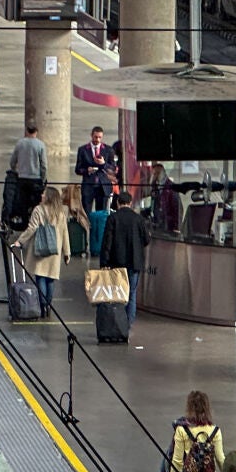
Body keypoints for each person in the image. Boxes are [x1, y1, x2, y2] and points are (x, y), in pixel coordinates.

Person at [16, 186, 73, 310]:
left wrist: (20, 241)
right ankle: (48, 304)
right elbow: (65, 233)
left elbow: (32, 228)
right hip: (54, 251)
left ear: (49, 197)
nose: (41, 195)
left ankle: (42, 305)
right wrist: (67, 252)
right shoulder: (60, 212)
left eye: (44, 194)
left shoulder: (39, 210)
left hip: (40, 249)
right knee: (50, 279)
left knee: (40, 277)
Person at [98, 191, 150, 326]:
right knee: (131, 294)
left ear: (117, 203)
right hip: (134, 262)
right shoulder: (139, 219)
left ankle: (118, 323)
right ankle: (128, 323)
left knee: (118, 294)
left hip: (117, 262)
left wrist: (104, 262)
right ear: (130, 203)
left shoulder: (113, 218)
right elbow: (146, 239)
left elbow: (107, 242)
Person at [75, 125, 119, 214]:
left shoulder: (108, 150)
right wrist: (87, 170)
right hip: (88, 186)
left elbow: (113, 169)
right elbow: (77, 169)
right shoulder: (83, 150)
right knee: (86, 213)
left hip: (103, 186)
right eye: (96, 137)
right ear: (91, 135)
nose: (98, 139)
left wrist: (103, 164)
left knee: (101, 213)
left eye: (100, 137)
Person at [8, 123, 47, 220]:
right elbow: (44, 165)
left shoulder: (20, 143)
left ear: (26, 131)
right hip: (36, 179)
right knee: (36, 205)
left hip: (22, 178)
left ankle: (24, 224)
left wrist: (17, 171)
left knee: (23, 204)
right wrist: (43, 179)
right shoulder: (40, 145)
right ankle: (35, 223)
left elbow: (12, 162)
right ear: (36, 132)